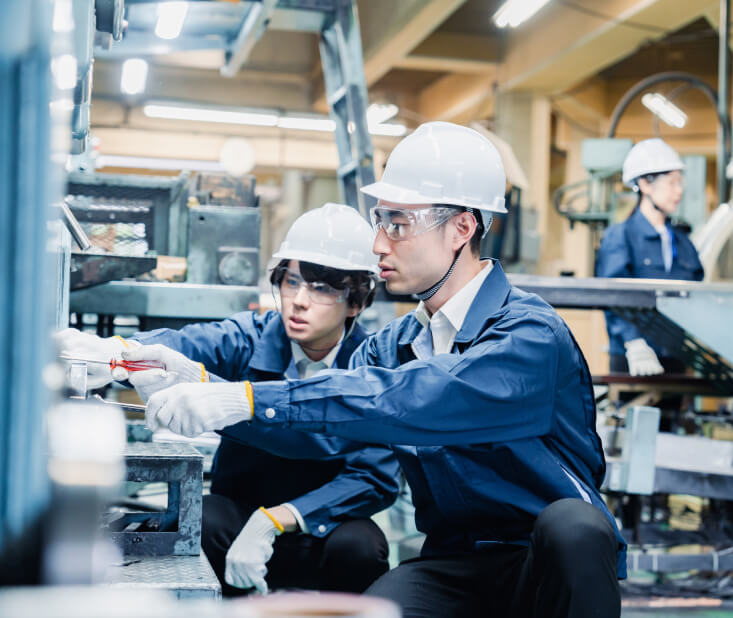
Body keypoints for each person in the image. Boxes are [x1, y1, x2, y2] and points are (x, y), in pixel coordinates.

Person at [141, 121, 626, 618]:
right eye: (380, 221)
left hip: (540, 564)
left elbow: (421, 397)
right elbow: (322, 433)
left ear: (462, 227)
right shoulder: (392, 345)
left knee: (575, 527)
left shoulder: (529, 334)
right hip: (453, 563)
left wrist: (242, 398)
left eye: (398, 223)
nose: (378, 244)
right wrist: (200, 387)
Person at [55, 203, 399, 597]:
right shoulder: (252, 336)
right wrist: (118, 350)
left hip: (322, 521)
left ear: (356, 300)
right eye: (291, 281)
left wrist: (276, 520)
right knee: (206, 520)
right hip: (240, 511)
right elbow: (190, 342)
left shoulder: (373, 367)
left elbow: (375, 476)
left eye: (321, 288)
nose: (299, 300)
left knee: (363, 548)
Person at [595, 138, 704, 376]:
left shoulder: (684, 243)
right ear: (644, 184)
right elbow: (613, 297)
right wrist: (633, 342)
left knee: (675, 415)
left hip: (675, 357)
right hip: (633, 359)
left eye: (680, 182)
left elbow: (698, 297)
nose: (679, 190)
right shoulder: (620, 237)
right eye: (672, 182)